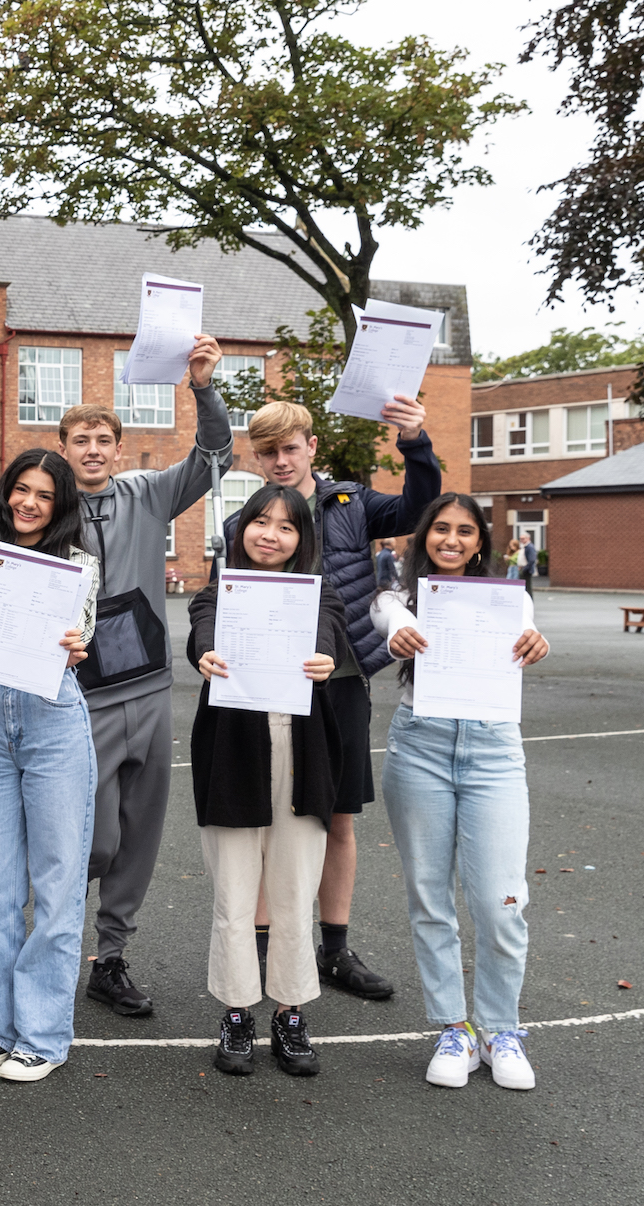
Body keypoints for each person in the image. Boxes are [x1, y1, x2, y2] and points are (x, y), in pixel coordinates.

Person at [220, 397, 442, 999]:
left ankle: (335, 950)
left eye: (290, 448)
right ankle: (268, 950)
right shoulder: (245, 518)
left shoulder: (350, 502)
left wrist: (414, 442)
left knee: (337, 818)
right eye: (268, 452)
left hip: (340, 681)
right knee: (269, 817)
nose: (280, 461)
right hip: (267, 686)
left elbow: (420, 509)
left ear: (311, 446)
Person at [55, 336, 227, 1019]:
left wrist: (204, 388)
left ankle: (113, 956)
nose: (93, 449)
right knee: (93, 837)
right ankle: (57, 940)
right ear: (63, 447)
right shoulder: (45, 509)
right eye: (81, 439)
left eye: (103, 438)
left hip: (149, 691)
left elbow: (214, 459)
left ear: (118, 449)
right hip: (83, 697)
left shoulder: (149, 495)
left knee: (140, 832)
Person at [371, 494, 549, 1090]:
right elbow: (389, 620)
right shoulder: (398, 598)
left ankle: (501, 1029)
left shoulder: (510, 595)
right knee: (430, 895)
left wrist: (534, 641)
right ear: (424, 537)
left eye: (464, 531)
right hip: (420, 745)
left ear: (479, 543)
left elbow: (525, 629)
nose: (451, 539)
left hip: (494, 750)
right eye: (440, 529)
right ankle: (455, 1028)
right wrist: (401, 633)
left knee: (502, 900)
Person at [0, 450, 98, 1083]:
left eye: (43, 494)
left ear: (61, 504)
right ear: (6, 494)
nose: (29, 502)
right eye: (20, 490)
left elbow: (81, 634)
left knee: (58, 882)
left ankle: (42, 1036)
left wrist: (75, 643)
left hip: (53, 716)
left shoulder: (80, 565)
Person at [187, 484, 346, 1078]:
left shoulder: (320, 595)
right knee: (234, 893)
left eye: (286, 526)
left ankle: (290, 1011)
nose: (271, 534)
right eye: (260, 521)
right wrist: (205, 653)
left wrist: (324, 660)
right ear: (241, 528)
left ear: (302, 539)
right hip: (232, 757)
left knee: (293, 894)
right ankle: (235, 1011)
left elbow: (329, 634)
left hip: (305, 761)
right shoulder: (218, 592)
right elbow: (201, 629)